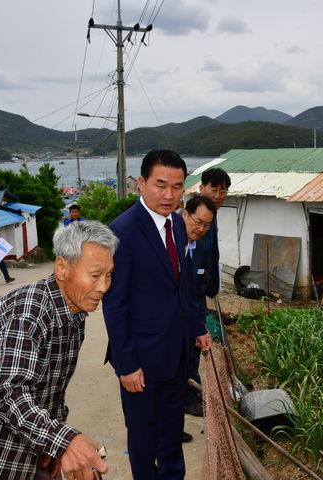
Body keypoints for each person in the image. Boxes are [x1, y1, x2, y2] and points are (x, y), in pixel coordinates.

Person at [0, 221, 116, 480]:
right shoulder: (29, 314)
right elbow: (12, 396)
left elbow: (51, 389)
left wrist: (53, 445)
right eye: (95, 275)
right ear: (62, 269)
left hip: (21, 436)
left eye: (109, 275)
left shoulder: (73, 314)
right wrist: (65, 442)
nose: (103, 287)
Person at [102, 149, 212, 480]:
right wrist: (127, 365)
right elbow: (115, 304)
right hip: (141, 361)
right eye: (160, 185)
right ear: (141, 183)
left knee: (171, 433)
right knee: (143, 438)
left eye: (177, 187)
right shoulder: (121, 231)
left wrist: (197, 327)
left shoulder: (178, 225)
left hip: (175, 354)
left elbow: (184, 286)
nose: (169, 195)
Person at [182, 168, 231, 416]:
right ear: (201, 189)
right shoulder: (191, 217)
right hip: (186, 293)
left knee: (193, 346)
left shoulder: (213, 217)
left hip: (199, 292)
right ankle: (187, 398)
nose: (219, 195)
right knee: (187, 345)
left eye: (223, 191)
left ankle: (188, 393)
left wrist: (212, 285)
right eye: (214, 189)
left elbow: (211, 254)